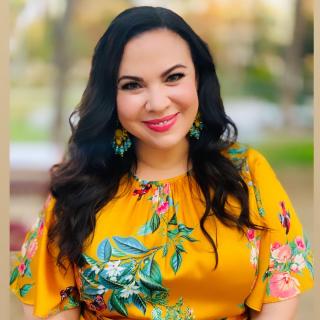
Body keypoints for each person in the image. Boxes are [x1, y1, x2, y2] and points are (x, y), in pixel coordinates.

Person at [10, 6, 313, 320]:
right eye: (132, 85)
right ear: (109, 96)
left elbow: (279, 292)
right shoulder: (76, 190)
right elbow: (51, 304)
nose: (157, 103)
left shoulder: (247, 172)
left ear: (198, 77)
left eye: (173, 77)